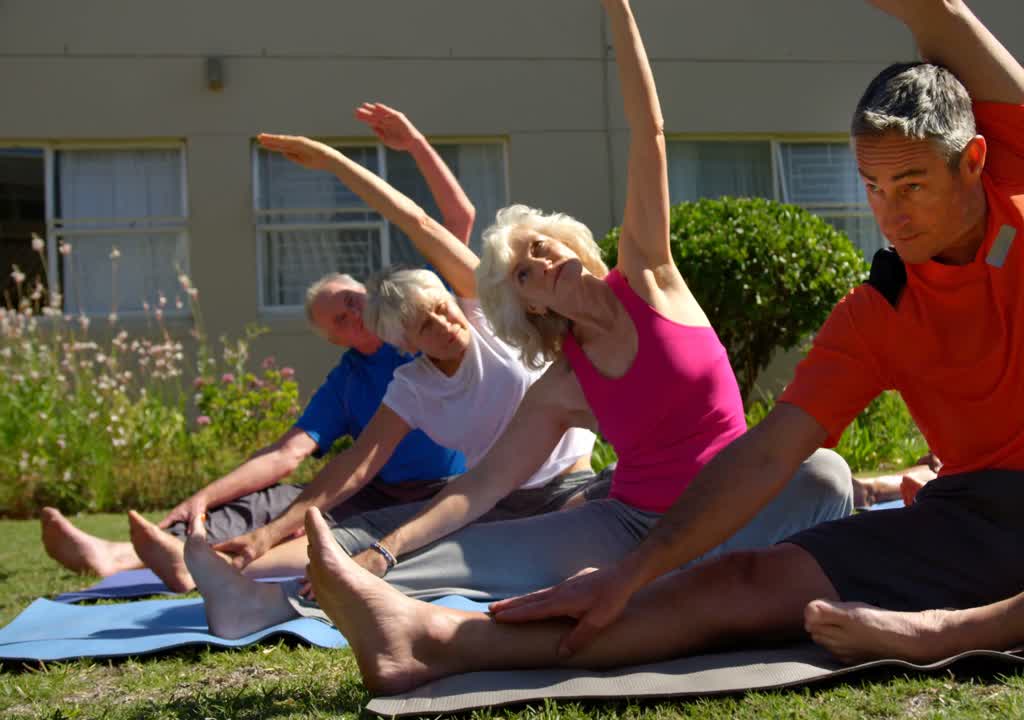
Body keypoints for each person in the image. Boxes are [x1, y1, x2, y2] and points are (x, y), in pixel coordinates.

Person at [289, 0, 1024, 696]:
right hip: (974, 523)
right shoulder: (877, 308)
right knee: (740, 582)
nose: (885, 213)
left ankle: (962, 637)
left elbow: (929, 9)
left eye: (910, 186)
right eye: (870, 187)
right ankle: (431, 642)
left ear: (975, 159)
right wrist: (630, 573)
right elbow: (767, 452)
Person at [183, 0, 853, 642]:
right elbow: (480, 487)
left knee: (827, 475)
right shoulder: (564, 382)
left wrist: (617, 9)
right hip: (631, 527)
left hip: (731, 508)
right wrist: (385, 553)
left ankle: (719, 582)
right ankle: (267, 603)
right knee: (467, 548)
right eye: (525, 271)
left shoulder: (651, 274)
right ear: (529, 305)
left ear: (569, 240)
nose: (541, 259)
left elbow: (647, 129)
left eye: (542, 243)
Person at [134, 106, 600, 594]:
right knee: (359, 539)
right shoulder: (411, 384)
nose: (446, 323)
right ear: (405, 344)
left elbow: (421, 221)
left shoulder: (488, 316)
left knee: (556, 529)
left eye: (443, 307)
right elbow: (355, 466)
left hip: (564, 489)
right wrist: (270, 533)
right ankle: (216, 570)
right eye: (426, 324)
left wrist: (336, 163)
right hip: (491, 500)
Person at [40, 268, 465, 592]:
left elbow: (453, 230)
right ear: (333, 338)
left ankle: (205, 566)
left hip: (434, 490)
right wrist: (204, 496)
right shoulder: (346, 380)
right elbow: (287, 453)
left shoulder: (416, 340)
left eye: (353, 301)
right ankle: (117, 556)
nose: (352, 315)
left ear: (368, 295)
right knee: (264, 501)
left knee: (318, 527)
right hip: (371, 485)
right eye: (338, 319)